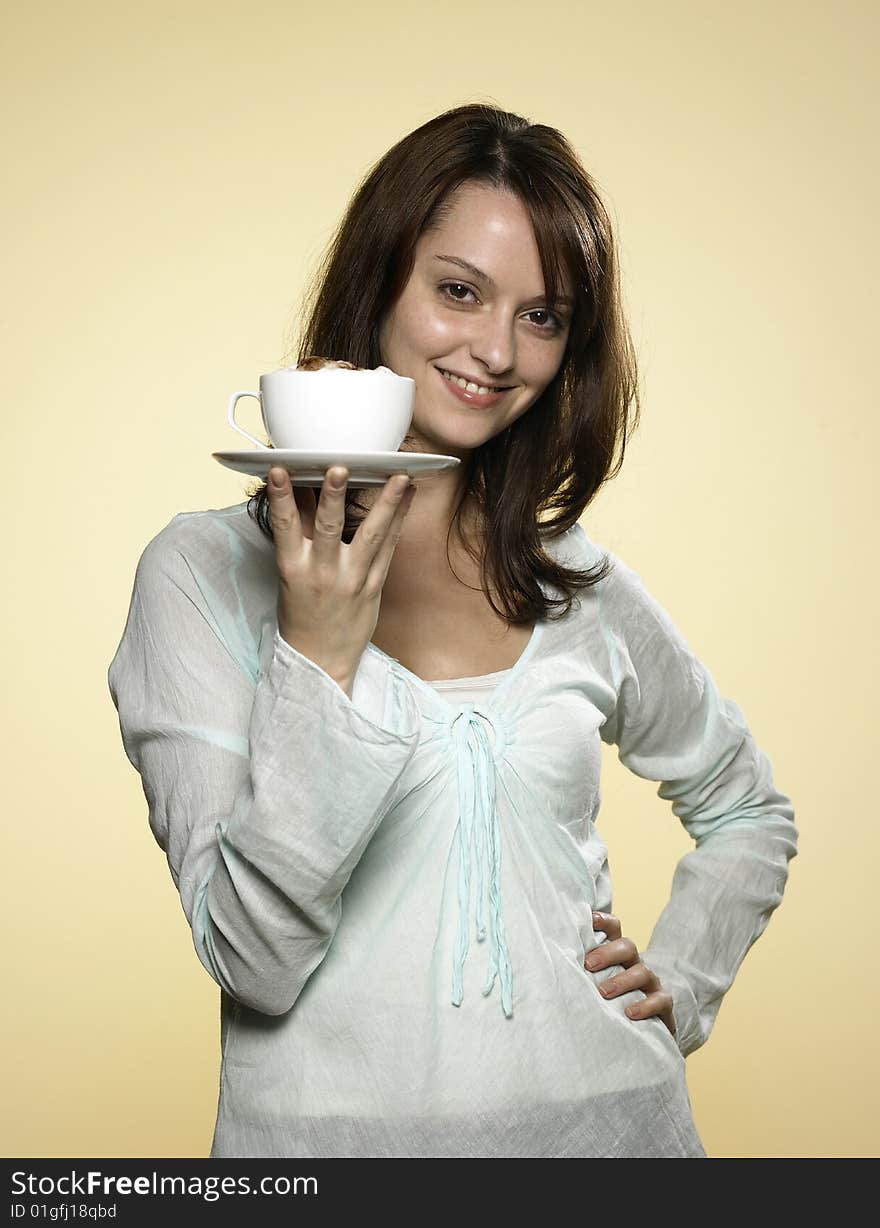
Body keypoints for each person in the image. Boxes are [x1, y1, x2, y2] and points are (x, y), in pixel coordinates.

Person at [107, 103, 798, 1159]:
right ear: (381, 280)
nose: (494, 351)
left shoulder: (578, 583)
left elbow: (748, 807)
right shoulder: (201, 575)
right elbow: (255, 961)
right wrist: (320, 648)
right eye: (459, 290)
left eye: (543, 315)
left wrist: (685, 977)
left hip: (613, 1131)